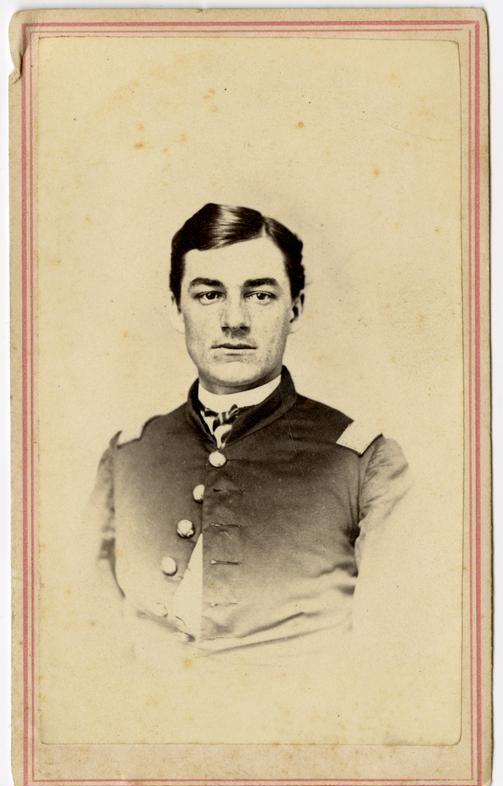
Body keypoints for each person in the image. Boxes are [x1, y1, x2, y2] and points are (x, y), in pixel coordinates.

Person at [89, 202, 412, 664]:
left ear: (295, 310)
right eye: (209, 295)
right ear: (177, 310)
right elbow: (84, 630)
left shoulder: (364, 464)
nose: (234, 320)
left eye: (260, 295)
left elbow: (389, 652)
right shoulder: (128, 457)